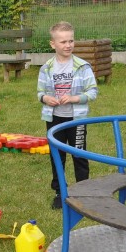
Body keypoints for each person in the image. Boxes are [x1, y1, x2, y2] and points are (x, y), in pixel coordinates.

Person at [37, 21, 98, 210]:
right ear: (53, 44)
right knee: (57, 156)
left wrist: (73, 98)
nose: (68, 45)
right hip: (54, 119)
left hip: (76, 119)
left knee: (79, 154)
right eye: (63, 42)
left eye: (71, 41)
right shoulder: (46, 68)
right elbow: (40, 93)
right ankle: (59, 192)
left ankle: (83, 191)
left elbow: (93, 92)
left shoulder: (83, 66)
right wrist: (46, 98)